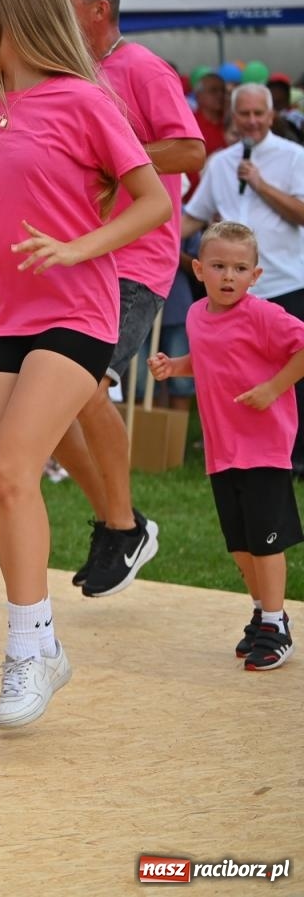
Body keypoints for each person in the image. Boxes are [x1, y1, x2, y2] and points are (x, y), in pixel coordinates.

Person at [0, 0, 167, 730]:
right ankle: (42, 645)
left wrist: (82, 247)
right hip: (6, 309)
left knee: (9, 466)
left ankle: (30, 648)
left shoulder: (85, 99)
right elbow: (13, 224)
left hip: (79, 310)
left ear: (18, 19)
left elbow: (154, 200)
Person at [50, 0, 207, 598]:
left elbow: (190, 149)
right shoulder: (69, 74)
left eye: (66, 3)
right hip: (82, 258)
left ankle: (124, 524)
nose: (55, 13)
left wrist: (115, 166)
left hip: (136, 264)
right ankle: (121, 523)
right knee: (50, 407)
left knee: (78, 387)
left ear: (99, 10)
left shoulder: (141, 67)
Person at [150, 221, 298, 671]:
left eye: (239, 268)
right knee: (240, 544)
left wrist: (274, 388)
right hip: (222, 452)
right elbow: (211, 358)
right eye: (218, 266)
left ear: (256, 276)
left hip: (265, 449)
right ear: (198, 269)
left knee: (266, 543)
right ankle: (262, 611)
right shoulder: (196, 316)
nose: (228, 276)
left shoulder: (265, 316)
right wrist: (175, 366)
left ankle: (277, 624)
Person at [183, 83, 304, 472]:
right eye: (244, 114)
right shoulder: (219, 163)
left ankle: (295, 457)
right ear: (233, 117)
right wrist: (154, 236)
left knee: (294, 377)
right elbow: (193, 217)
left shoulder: (294, 157)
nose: (251, 121)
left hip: (284, 281)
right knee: (239, 374)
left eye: (258, 113)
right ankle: (246, 453)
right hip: (230, 297)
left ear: (272, 116)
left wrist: (260, 183)